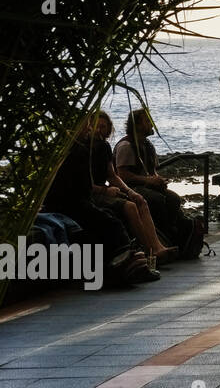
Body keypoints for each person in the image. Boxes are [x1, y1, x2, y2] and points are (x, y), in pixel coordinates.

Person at [44, 116, 158, 284]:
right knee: (113, 223)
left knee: (118, 214)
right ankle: (128, 265)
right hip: (74, 202)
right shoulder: (80, 150)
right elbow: (85, 187)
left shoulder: (74, 149)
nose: (91, 129)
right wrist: (106, 191)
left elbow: (107, 177)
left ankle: (146, 254)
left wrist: (126, 191)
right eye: (88, 126)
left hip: (73, 201)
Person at [91, 112, 176, 265]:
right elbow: (122, 175)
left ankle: (161, 244)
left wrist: (155, 181)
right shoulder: (125, 146)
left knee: (164, 199)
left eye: (103, 127)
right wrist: (128, 189)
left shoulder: (106, 147)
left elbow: (112, 176)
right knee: (145, 202)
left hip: (118, 188)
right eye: (96, 126)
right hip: (101, 191)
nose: (99, 130)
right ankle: (148, 249)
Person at [114, 108, 188, 248]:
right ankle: (158, 237)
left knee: (174, 199)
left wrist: (158, 180)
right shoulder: (126, 146)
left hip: (146, 186)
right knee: (156, 200)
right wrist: (147, 180)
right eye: (147, 121)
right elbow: (122, 175)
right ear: (137, 125)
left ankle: (171, 234)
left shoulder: (148, 145)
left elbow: (152, 171)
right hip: (130, 188)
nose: (151, 124)